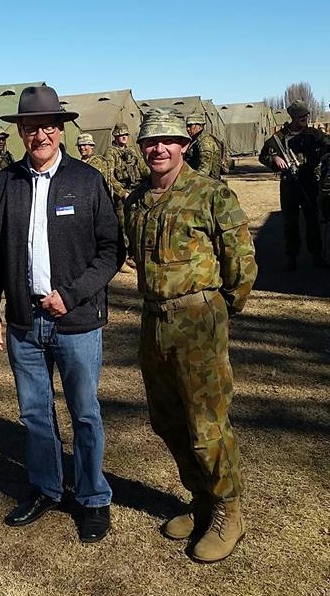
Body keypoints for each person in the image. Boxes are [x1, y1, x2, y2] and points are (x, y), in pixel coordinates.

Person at [0, 85, 121, 543]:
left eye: (47, 126)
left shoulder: (87, 180)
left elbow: (110, 250)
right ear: (20, 132)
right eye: (30, 127)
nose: (39, 134)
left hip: (76, 321)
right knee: (36, 414)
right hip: (23, 323)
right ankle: (45, 488)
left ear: (61, 129)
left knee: (84, 412)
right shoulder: (7, 182)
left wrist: (73, 293)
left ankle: (92, 497)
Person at [124, 108, 257, 563]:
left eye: (167, 141)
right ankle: (200, 498)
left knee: (206, 424)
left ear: (183, 145)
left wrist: (220, 310)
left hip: (198, 320)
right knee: (167, 419)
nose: (157, 149)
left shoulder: (210, 194)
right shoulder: (137, 201)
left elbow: (240, 262)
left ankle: (228, 510)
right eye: (150, 142)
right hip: (153, 320)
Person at [259, 100, 330, 271]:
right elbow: (263, 156)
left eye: (306, 116)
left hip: (309, 182)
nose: (305, 119)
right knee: (290, 222)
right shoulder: (279, 137)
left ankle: (316, 256)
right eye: (301, 117)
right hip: (289, 185)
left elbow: (328, 145)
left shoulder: (313, 134)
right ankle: (291, 257)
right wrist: (274, 159)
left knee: (312, 220)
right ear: (293, 117)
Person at [105, 123, 149, 270]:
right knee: (123, 226)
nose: (123, 137)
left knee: (137, 223)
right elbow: (109, 176)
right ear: (115, 137)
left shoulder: (131, 151)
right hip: (122, 194)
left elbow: (142, 168)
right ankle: (122, 258)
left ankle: (135, 255)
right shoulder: (111, 153)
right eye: (120, 135)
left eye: (125, 135)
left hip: (136, 191)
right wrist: (122, 192)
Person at [184, 113, 222, 180]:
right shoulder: (195, 140)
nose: (187, 129)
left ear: (200, 126)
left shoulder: (205, 142)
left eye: (190, 126)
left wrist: (192, 182)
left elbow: (204, 170)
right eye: (187, 126)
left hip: (209, 183)